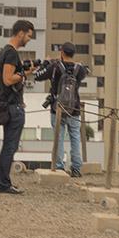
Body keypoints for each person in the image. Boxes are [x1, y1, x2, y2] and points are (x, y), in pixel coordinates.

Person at [34, 42, 89, 177]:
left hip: (57, 108)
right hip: (74, 108)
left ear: (62, 52)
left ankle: (59, 167)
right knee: (75, 137)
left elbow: (37, 76)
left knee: (58, 138)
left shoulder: (54, 67)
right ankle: (76, 168)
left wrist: (45, 63)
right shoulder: (79, 69)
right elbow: (87, 71)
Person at [0, 20, 35, 194]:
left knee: (8, 145)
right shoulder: (11, 54)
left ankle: (2, 181)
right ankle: (3, 183)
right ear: (20, 33)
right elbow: (8, 79)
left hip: (7, 104)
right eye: (28, 36)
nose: (28, 40)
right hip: (13, 108)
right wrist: (24, 74)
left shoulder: (3, 52)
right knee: (10, 146)